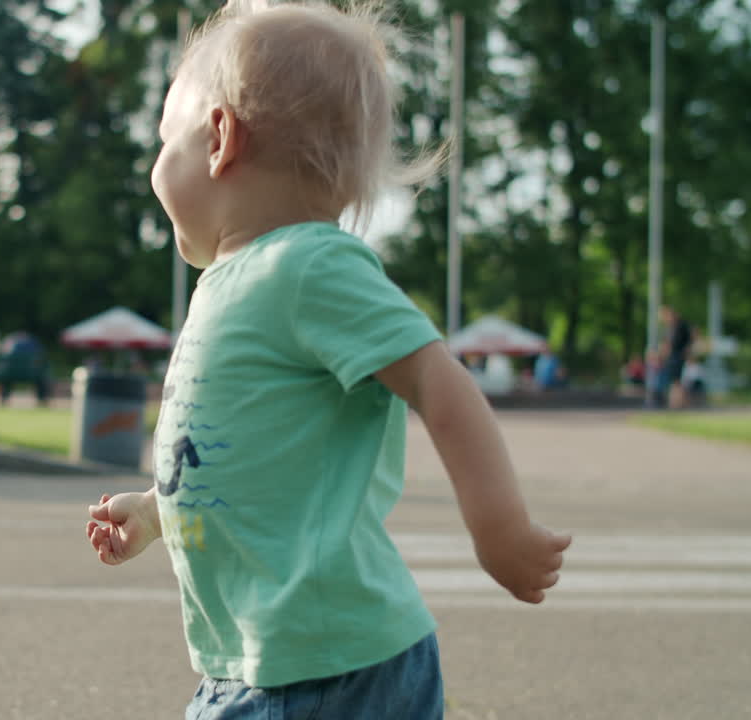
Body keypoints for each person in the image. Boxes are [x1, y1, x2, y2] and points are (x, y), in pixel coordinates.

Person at [83, 3, 571, 718]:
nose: (157, 164)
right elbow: (253, 459)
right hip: (278, 663)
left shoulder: (306, 266)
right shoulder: (246, 282)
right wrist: (160, 511)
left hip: (323, 671)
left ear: (220, 138)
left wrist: (498, 524)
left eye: (165, 140)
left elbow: (438, 379)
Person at [657, 305, 693, 409]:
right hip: (673, 357)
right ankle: (677, 403)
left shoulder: (680, 326)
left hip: (677, 356)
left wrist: (687, 353)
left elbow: (683, 342)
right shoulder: (670, 328)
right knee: (676, 381)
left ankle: (677, 403)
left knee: (676, 381)